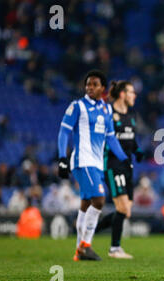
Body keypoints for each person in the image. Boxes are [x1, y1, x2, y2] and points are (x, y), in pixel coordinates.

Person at [57, 69, 131, 261]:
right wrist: (62, 158)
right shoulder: (78, 106)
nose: (90, 87)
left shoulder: (106, 109)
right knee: (99, 199)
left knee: (86, 205)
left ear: (103, 89)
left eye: (94, 84)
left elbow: (111, 138)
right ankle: (86, 245)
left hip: (97, 164)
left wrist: (123, 158)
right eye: (88, 84)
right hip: (83, 161)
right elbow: (64, 132)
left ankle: (79, 250)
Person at [95, 80, 144, 259]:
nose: (134, 96)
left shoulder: (131, 115)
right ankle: (115, 249)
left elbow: (131, 139)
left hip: (127, 166)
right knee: (122, 208)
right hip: (113, 165)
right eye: (131, 92)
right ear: (122, 94)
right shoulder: (109, 114)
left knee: (126, 211)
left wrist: (137, 151)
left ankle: (90, 230)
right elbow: (106, 140)